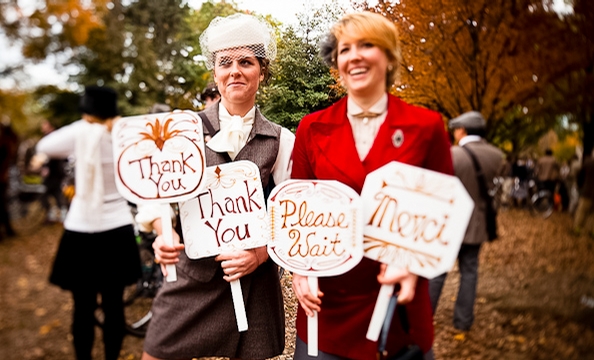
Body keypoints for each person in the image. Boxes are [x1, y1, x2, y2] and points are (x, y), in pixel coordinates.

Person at [290, 12, 454, 359]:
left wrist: (413, 262)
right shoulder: (310, 128)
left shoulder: (427, 127)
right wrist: (299, 274)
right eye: (345, 48)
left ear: (390, 58)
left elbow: (444, 214)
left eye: (367, 45)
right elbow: (295, 217)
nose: (355, 56)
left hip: (397, 308)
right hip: (327, 309)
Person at [138, 13, 295, 360]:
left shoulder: (282, 140)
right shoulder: (182, 129)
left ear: (262, 71)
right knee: (156, 353)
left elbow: (290, 215)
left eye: (246, 62)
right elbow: (156, 194)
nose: (234, 70)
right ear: (214, 72)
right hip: (193, 273)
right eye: (225, 62)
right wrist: (163, 233)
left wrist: (258, 256)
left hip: (253, 280)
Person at [36, 86, 142, 360]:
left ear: (87, 111)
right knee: (114, 305)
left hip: (81, 228)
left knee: (82, 307)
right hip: (117, 227)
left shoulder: (80, 133)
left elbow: (45, 146)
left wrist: (83, 124)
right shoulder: (124, 132)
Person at [428, 111, 505, 332]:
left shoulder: (452, 155)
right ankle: (463, 321)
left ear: (462, 130)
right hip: (478, 224)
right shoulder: (497, 155)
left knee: (438, 272)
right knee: (470, 271)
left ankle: (427, 316)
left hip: (449, 223)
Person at [38, 119, 68, 222]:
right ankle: (54, 214)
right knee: (50, 193)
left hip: (56, 172)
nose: (42, 128)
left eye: (44, 125)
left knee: (56, 193)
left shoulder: (55, 138)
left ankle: (59, 214)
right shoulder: (46, 138)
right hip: (50, 173)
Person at [0, 121, 19, 240]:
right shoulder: (6, 142)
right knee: (2, 205)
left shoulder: (5, 142)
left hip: (2, 178)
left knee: (2, 205)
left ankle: (7, 230)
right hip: (3, 178)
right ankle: (7, 230)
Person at [573, 150, 594, 238]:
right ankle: (591, 231)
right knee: (592, 214)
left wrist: (579, 186)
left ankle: (577, 229)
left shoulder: (588, 163)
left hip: (587, 192)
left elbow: (580, 175)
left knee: (582, 211)